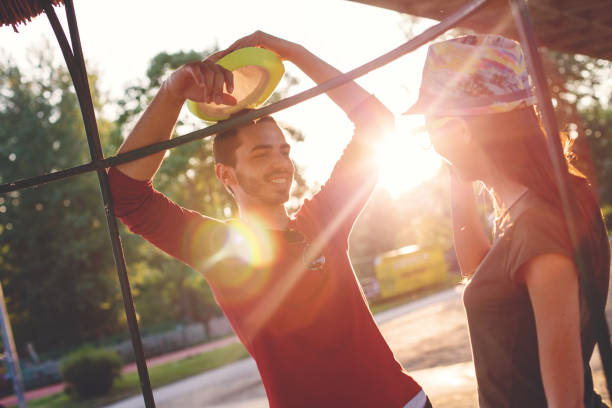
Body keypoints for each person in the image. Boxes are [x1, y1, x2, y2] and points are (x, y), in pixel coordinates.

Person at [108, 31, 430, 408]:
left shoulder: (323, 219)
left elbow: (377, 123)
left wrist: (296, 52)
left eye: (283, 151)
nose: (280, 164)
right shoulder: (222, 249)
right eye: (262, 155)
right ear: (226, 175)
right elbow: (125, 194)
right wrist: (173, 90)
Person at [405, 34, 610, 407]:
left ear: (461, 128)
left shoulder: (537, 226)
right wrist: (457, 165)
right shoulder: (530, 209)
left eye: (431, 125)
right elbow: (479, 272)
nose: (428, 138)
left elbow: (564, 400)